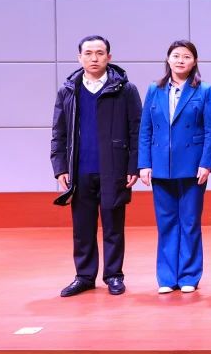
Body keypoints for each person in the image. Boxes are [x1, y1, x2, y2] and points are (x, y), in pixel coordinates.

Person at [50, 35, 141, 297]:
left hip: (114, 169)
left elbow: (136, 130)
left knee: (114, 227)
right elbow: (59, 132)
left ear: (109, 57)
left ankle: (114, 275)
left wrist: (133, 166)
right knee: (82, 228)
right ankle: (84, 276)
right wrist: (60, 167)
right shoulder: (68, 91)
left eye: (100, 53)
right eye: (88, 53)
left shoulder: (125, 89)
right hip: (79, 170)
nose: (94, 58)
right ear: (79, 57)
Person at [137, 40, 211, 294]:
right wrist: (144, 164)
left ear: (194, 62)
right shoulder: (155, 89)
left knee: (190, 222)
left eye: (186, 56)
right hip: (160, 166)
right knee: (166, 223)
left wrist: (206, 163)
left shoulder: (204, 90)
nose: (180, 60)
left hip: (192, 167)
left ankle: (189, 275)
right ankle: (166, 277)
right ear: (168, 59)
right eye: (176, 56)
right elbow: (145, 129)